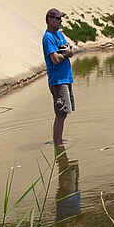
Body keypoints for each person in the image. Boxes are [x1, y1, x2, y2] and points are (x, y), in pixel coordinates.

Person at [42, 8, 75, 148]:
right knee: (61, 113)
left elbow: (70, 51)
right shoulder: (48, 37)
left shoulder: (59, 35)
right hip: (57, 80)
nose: (61, 21)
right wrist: (66, 54)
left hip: (66, 78)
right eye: (58, 19)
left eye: (61, 19)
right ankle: (58, 144)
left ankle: (59, 142)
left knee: (64, 112)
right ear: (50, 20)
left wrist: (68, 52)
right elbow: (55, 59)